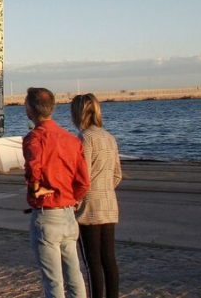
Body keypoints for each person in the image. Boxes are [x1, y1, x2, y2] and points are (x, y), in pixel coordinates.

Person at [23, 87, 90, 298]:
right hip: (68, 214)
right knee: (74, 274)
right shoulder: (71, 139)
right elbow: (83, 181)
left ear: (31, 109)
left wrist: (37, 189)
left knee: (53, 281)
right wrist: (72, 198)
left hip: (47, 214)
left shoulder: (34, 138)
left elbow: (33, 170)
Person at [70, 93, 122, 298]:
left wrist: (76, 201)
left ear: (78, 114)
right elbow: (117, 174)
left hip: (89, 208)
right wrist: (105, 188)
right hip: (109, 205)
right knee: (109, 259)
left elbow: (83, 176)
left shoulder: (84, 139)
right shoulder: (109, 137)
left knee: (92, 262)